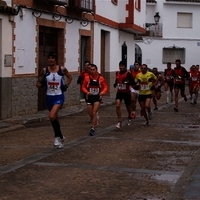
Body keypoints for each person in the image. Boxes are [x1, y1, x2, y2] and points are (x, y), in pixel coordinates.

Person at [36, 51, 72, 148]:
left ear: (55, 59)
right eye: (49, 58)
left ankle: (56, 137)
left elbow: (70, 77)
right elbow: (38, 83)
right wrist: (41, 83)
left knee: (51, 116)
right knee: (55, 118)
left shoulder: (62, 69)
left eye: (52, 58)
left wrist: (66, 85)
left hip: (59, 96)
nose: (50, 60)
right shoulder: (44, 71)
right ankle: (60, 136)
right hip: (49, 97)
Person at [81, 64, 108, 136]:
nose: (92, 71)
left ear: (96, 70)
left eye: (94, 70)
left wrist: (102, 92)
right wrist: (87, 92)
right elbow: (83, 87)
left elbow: (105, 87)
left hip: (97, 97)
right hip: (89, 97)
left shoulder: (101, 78)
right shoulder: (87, 78)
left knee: (94, 112)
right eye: (91, 70)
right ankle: (95, 120)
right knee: (90, 114)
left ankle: (92, 128)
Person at [114, 61, 135, 128]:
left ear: (125, 67)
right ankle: (119, 121)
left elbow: (133, 82)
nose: (121, 67)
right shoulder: (117, 73)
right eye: (120, 66)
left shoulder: (128, 74)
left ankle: (130, 116)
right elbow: (117, 79)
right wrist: (115, 84)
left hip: (126, 92)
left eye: (122, 66)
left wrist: (127, 81)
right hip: (119, 92)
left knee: (128, 106)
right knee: (117, 105)